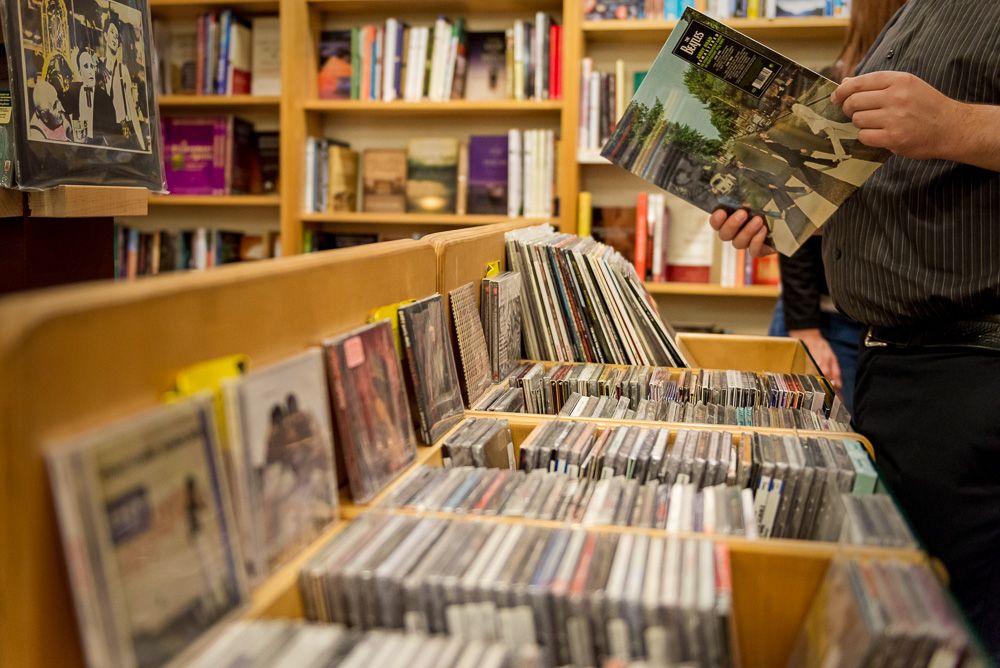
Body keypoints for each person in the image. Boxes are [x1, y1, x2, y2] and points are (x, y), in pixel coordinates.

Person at [709, 0, 1000, 656]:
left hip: (971, 370)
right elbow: (898, 186)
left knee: (943, 632)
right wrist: (780, 209)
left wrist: (956, 124)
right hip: (904, 373)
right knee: (906, 620)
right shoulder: (909, 15)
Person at [768, 0, 908, 414]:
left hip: (895, 323)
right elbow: (795, 211)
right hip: (824, 317)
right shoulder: (831, 89)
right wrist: (805, 328)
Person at [96, 14, 144, 149]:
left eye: (117, 36)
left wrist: (143, 146)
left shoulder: (123, 70)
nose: (115, 38)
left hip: (120, 132)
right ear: (105, 36)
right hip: (102, 134)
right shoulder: (97, 66)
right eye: (112, 32)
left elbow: (133, 112)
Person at [64, 49, 97, 141]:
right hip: (81, 141)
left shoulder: (102, 95)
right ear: (80, 71)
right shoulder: (75, 92)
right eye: (86, 66)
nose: (90, 71)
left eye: (92, 66)